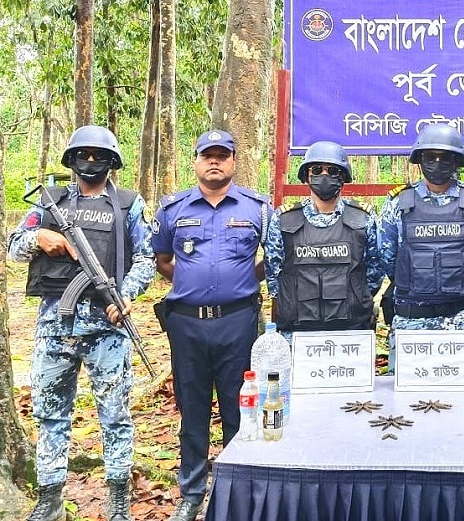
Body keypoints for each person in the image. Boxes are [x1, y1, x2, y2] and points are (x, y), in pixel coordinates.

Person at [8, 125, 155, 521]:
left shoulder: (128, 205)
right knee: (50, 414)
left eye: (99, 156)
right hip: (54, 328)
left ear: (112, 162)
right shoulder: (50, 202)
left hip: (108, 329)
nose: (90, 163)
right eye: (83, 155)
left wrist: (126, 296)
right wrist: (40, 237)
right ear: (71, 160)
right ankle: (50, 497)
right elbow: (13, 247)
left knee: (116, 415)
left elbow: (146, 258)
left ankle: (118, 499)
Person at [151, 130, 282, 521]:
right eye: (207, 155)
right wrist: (193, 286)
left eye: (222, 155)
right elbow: (162, 260)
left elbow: (273, 258)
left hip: (238, 322)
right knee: (192, 410)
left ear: (233, 161)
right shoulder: (172, 209)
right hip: (187, 325)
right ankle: (191, 492)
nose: (214, 161)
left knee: (238, 407)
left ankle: (234, 490)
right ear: (195, 161)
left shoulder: (258, 209)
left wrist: (239, 282)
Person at [378, 123, 464, 372]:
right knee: (406, 394)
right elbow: (388, 257)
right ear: (420, 160)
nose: (437, 163)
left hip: (462, 320)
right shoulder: (398, 203)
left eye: (445, 157)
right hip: (411, 320)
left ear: (456, 161)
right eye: (430, 157)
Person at [273, 140, 383, 338]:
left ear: (343, 177)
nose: (324, 175)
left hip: (351, 332)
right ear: (306, 176)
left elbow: (375, 273)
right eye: (317, 170)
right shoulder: (283, 219)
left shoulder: (363, 218)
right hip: (297, 333)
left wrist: (354, 300)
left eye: (332, 171)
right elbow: (274, 275)